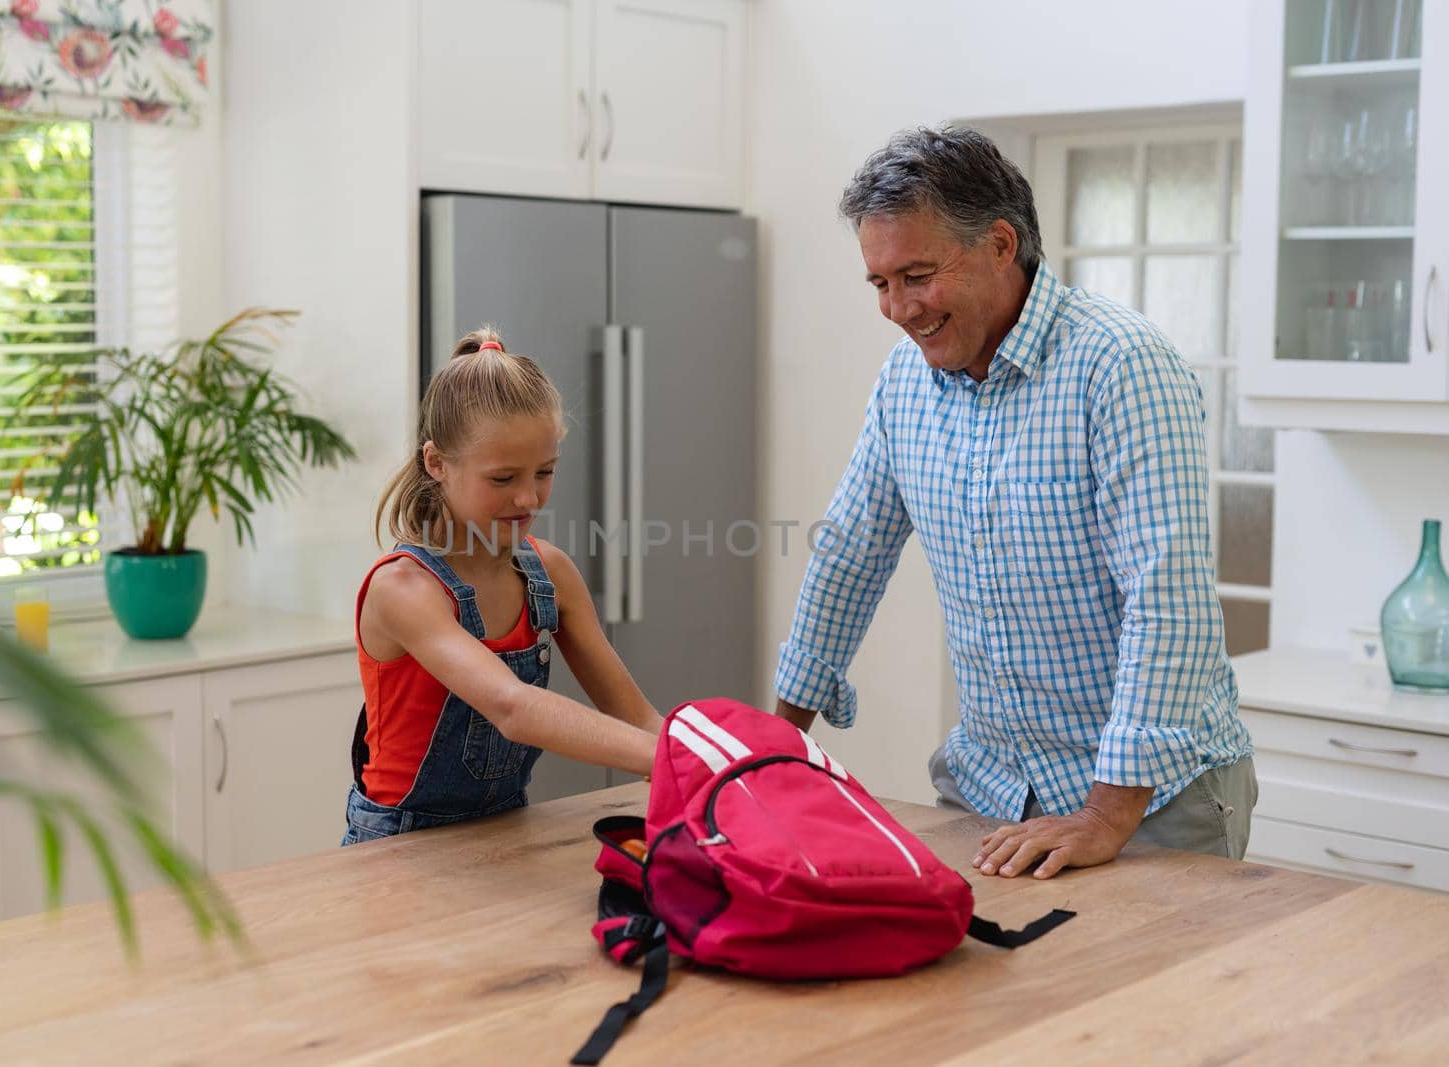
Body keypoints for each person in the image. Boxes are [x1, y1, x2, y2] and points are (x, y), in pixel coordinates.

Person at [773, 126, 1257, 880]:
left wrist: (1105, 814)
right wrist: (773, 749)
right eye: (880, 284)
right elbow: (850, 553)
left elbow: (1169, 602)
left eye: (917, 275)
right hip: (989, 788)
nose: (898, 309)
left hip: (1150, 803)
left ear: (1000, 244)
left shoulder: (1122, 367)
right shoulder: (905, 382)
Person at [342, 327, 661, 845]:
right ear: (436, 464)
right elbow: (512, 707)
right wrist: (664, 757)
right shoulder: (402, 588)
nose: (529, 498)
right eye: (503, 479)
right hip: (399, 846)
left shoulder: (549, 575)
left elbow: (639, 716)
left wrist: (711, 755)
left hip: (508, 830)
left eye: (544, 472)